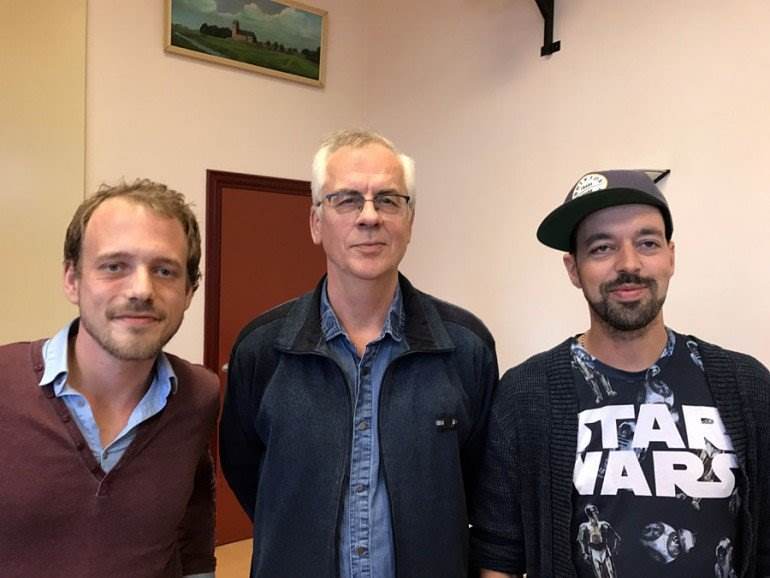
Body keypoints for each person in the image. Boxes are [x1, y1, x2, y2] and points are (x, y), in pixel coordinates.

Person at [220, 129, 498, 577]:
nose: (369, 216)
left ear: (409, 221)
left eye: (388, 200)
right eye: (347, 199)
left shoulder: (465, 347)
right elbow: (248, 471)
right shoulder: (262, 350)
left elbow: (476, 484)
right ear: (315, 222)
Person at [470, 170, 769, 577]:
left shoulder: (746, 386)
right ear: (573, 269)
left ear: (671, 256)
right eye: (602, 248)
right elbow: (498, 559)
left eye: (647, 243)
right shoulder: (526, 395)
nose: (628, 264)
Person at [0, 180, 219, 578]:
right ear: (72, 279)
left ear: (189, 290)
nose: (141, 289)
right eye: (114, 266)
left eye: (164, 270)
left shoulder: (199, 397)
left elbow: (193, 531)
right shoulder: (4, 384)